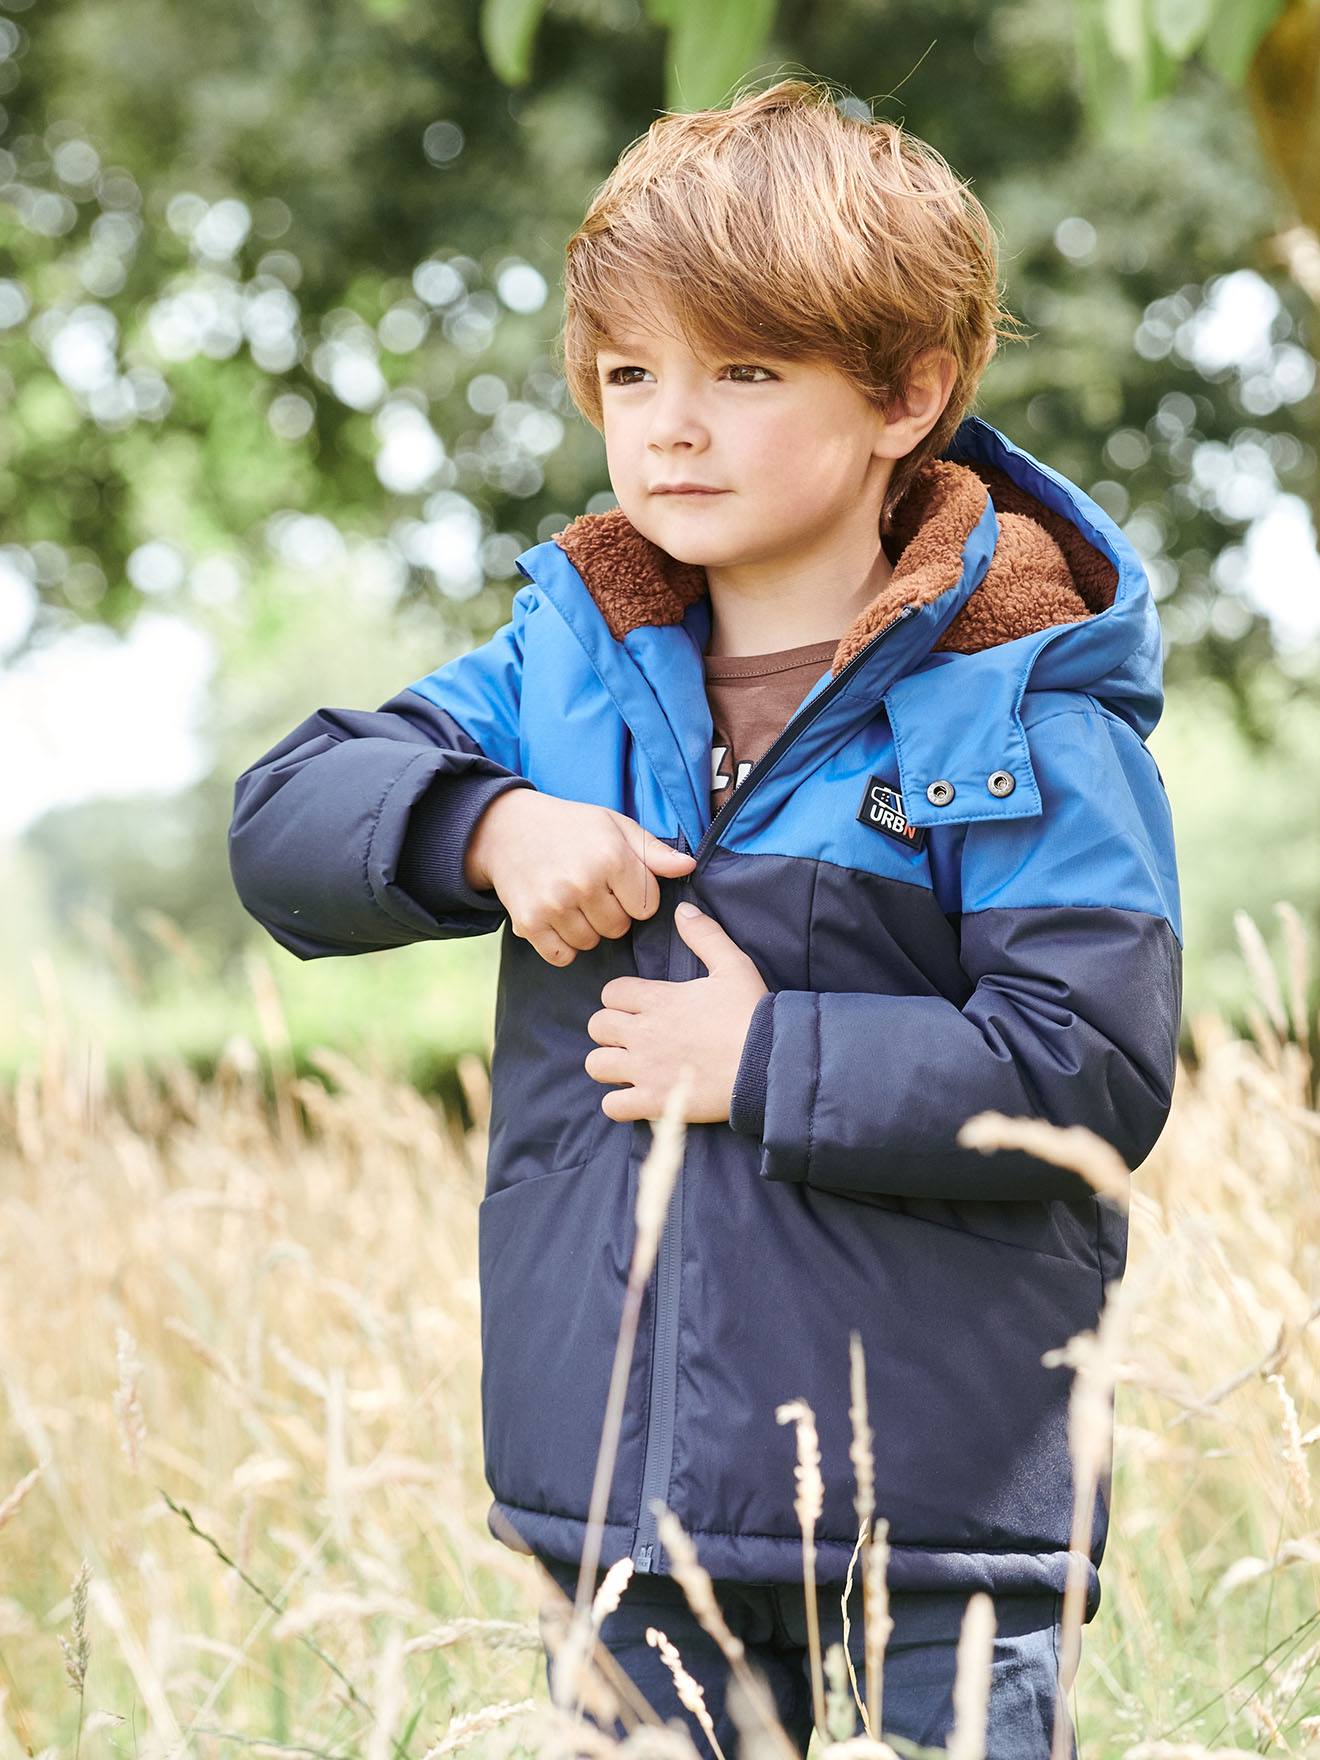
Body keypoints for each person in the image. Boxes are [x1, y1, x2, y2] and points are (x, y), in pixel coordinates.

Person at [228, 76, 1182, 1759]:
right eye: (631, 376)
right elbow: (283, 819)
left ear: (909, 389)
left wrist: (760, 1056)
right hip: (624, 1513)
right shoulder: (560, 668)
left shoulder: (1027, 710)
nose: (672, 424)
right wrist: (486, 822)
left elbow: (1088, 1069)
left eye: (744, 372)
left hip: (936, 1527)